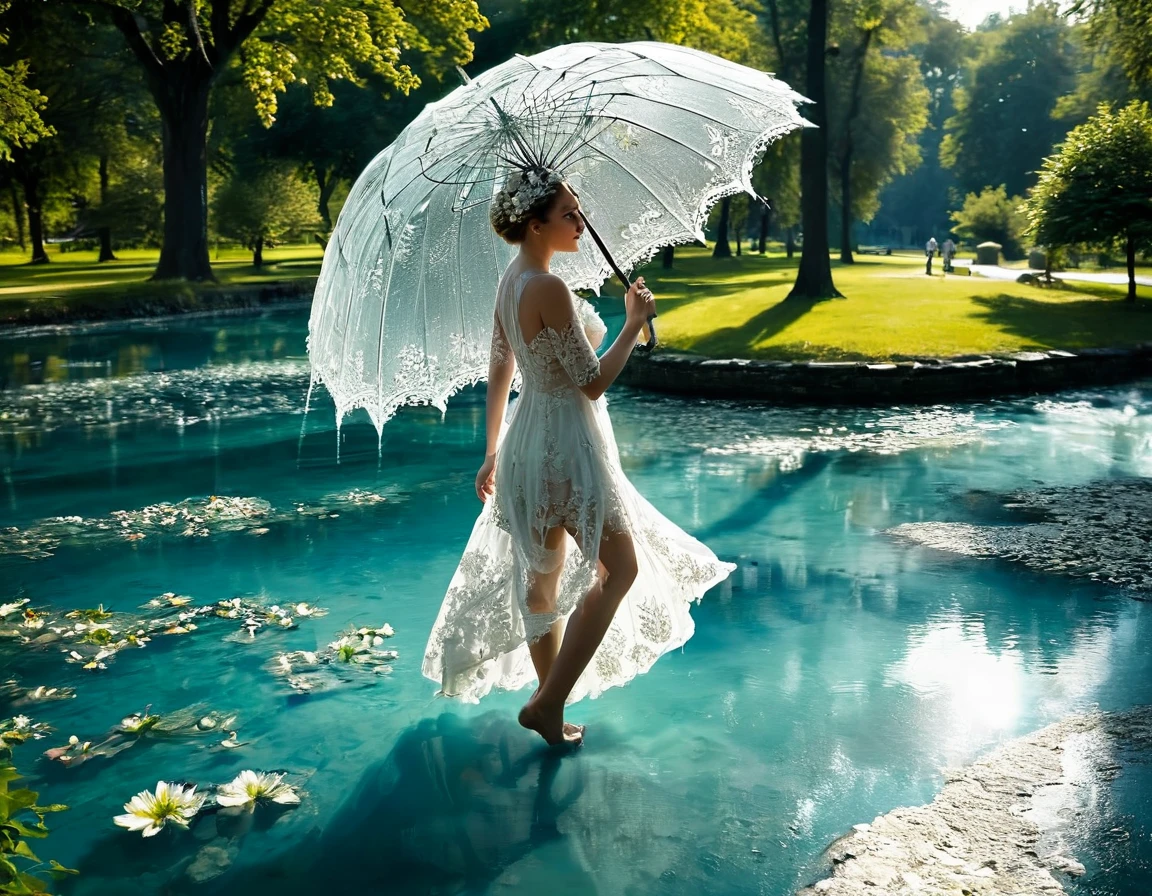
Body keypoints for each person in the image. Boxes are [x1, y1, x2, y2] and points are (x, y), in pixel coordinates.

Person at [422, 167, 734, 746]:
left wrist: (490, 452)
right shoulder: (547, 287)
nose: (581, 223)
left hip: (523, 445)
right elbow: (590, 383)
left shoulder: (512, 280)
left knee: (544, 582)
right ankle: (548, 703)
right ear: (535, 222)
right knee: (621, 569)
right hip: (565, 444)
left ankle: (549, 711)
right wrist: (633, 323)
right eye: (569, 213)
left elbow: (501, 368)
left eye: (579, 211)